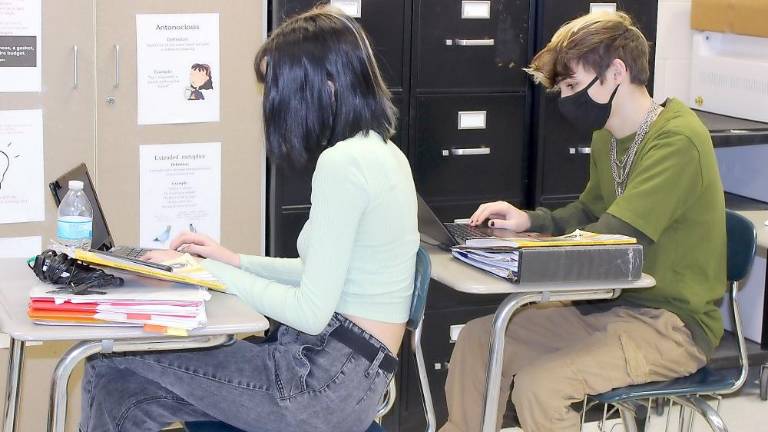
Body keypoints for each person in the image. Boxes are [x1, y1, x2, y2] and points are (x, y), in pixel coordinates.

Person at [79, 7, 419, 432]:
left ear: (322, 85)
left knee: (106, 355)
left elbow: (310, 311)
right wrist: (232, 262)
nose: (275, 101)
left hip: (320, 385)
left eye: (281, 86)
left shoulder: (343, 163)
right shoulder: (383, 153)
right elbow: (325, 277)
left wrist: (203, 272)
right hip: (348, 379)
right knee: (123, 390)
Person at [441, 11, 726, 432]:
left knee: (540, 388)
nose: (566, 98)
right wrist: (527, 221)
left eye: (573, 85)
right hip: (608, 307)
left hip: (671, 325)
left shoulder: (678, 140)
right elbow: (589, 212)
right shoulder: (608, 137)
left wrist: (530, 253)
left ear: (616, 72)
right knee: (478, 341)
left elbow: (615, 236)